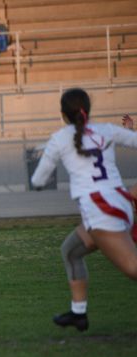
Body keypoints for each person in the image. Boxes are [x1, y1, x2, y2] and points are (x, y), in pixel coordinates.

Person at [31, 88, 137, 332]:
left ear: (63, 114)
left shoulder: (60, 138)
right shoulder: (106, 130)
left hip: (101, 210)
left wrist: (47, 158)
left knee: (133, 268)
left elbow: (38, 180)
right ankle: (78, 314)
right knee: (71, 251)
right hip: (117, 203)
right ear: (88, 109)